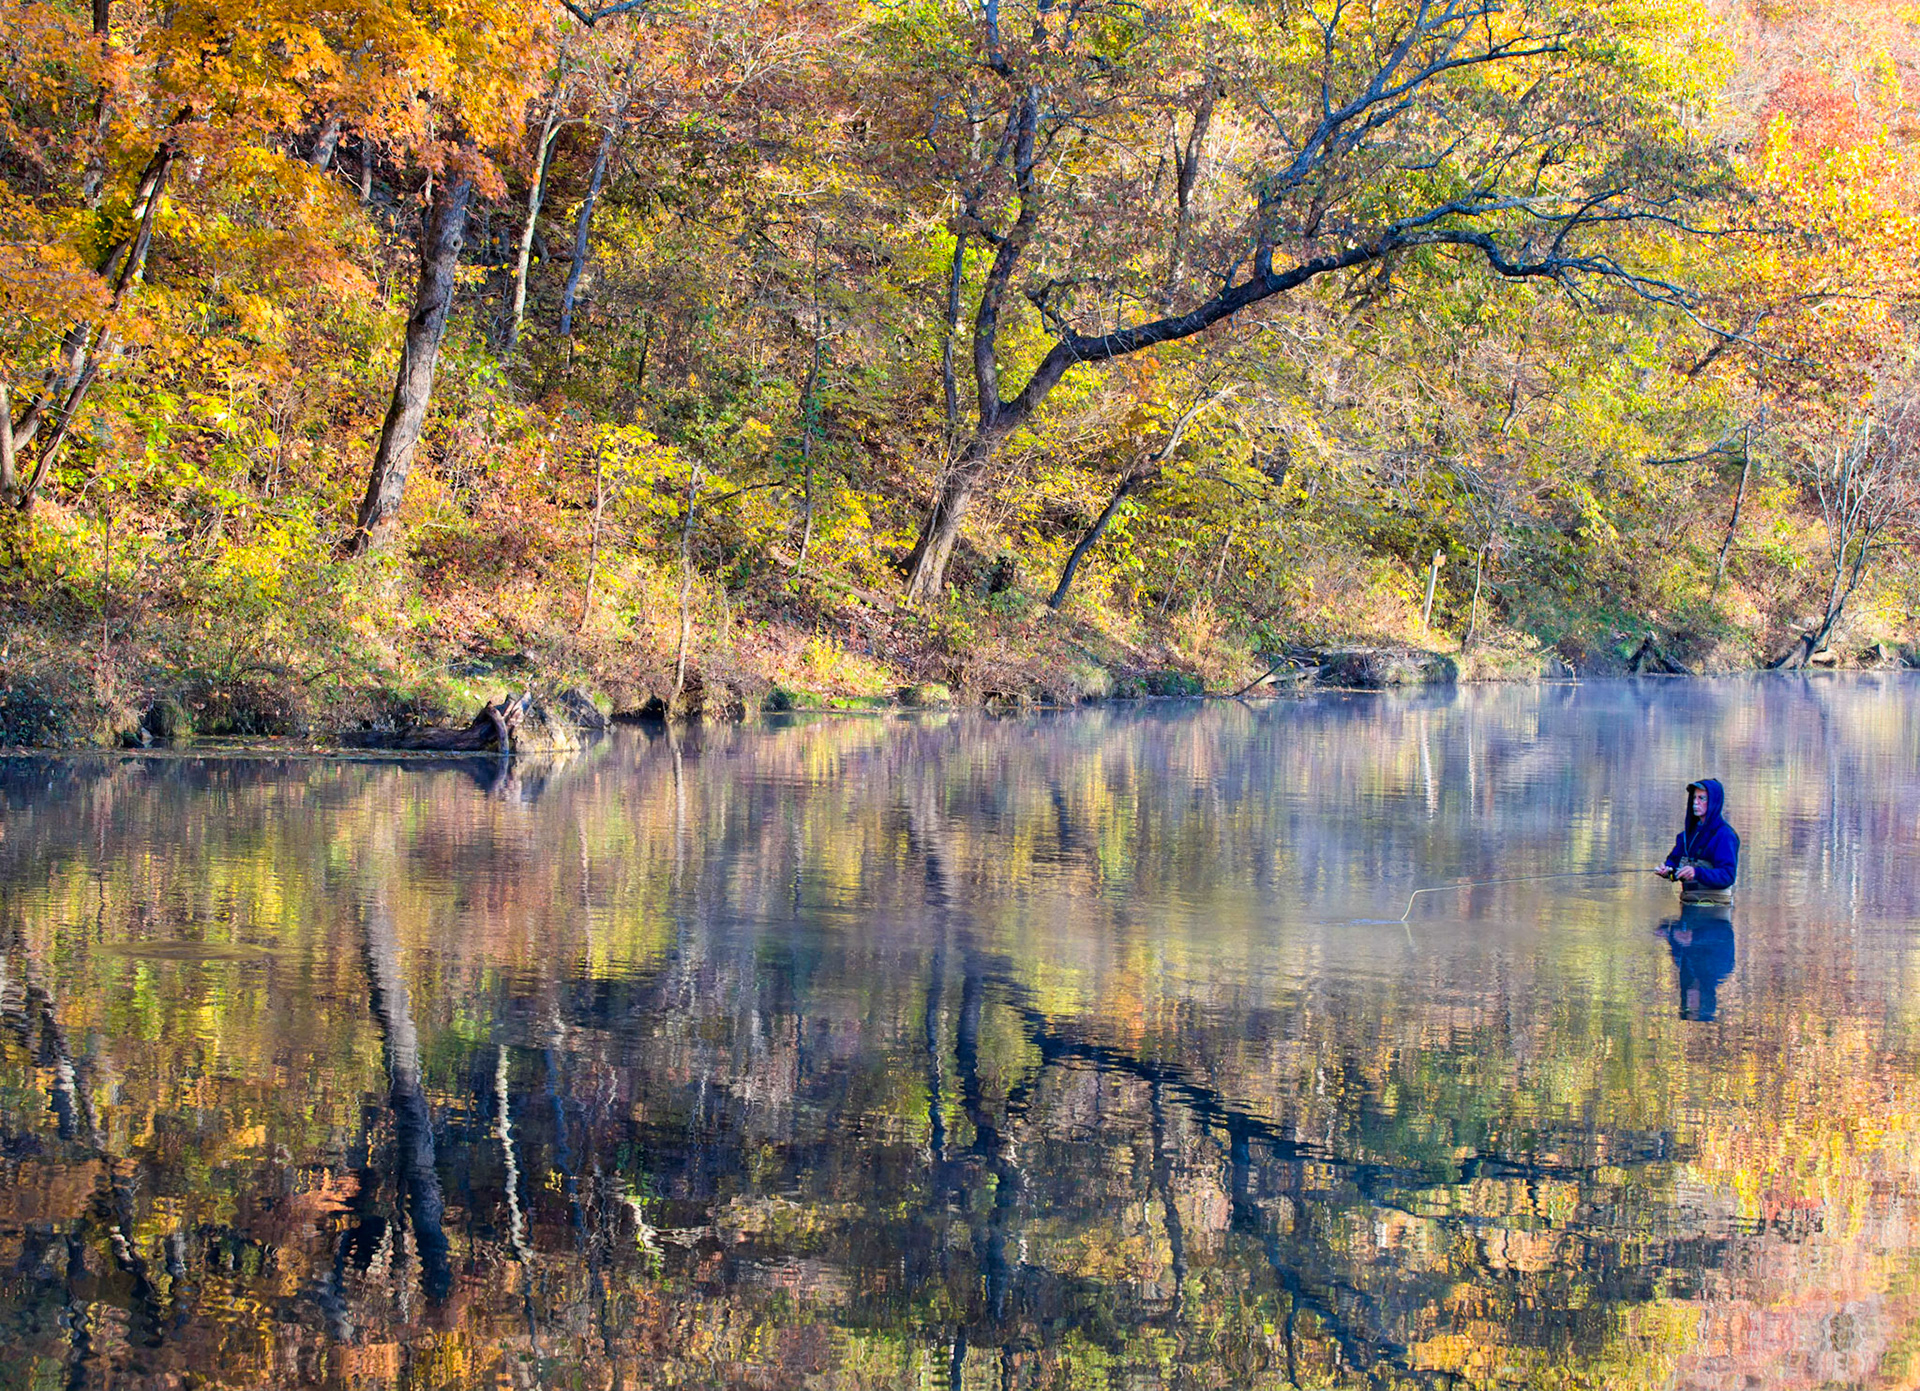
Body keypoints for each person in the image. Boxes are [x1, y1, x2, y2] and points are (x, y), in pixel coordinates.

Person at [1655, 778, 1738, 905]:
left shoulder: (1725, 836)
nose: (1695, 802)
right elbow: (1674, 862)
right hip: (1688, 903)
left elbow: (1727, 876)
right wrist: (1668, 871)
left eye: (1702, 798)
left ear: (1713, 802)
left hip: (1716, 908)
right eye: (1694, 798)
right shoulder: (1685, 836)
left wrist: (1696, 873)